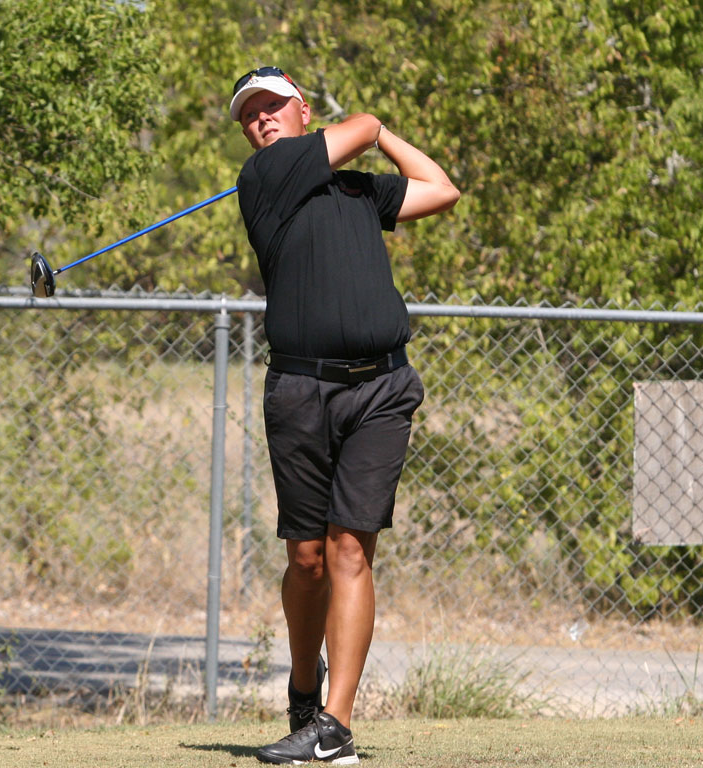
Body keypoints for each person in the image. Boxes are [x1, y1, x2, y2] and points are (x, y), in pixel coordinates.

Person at [229, 66, 460, 765]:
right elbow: (357, 127)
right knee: (307, 561)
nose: (262, 120)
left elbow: (442, 188)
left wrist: (386, 137)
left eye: (273, 107)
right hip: (302, 390)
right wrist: (373, 127)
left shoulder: (356, 190)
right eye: (250, 115)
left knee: (350, 550)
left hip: (382, 389)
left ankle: (334, 725)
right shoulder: (262, 181)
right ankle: (305, 692)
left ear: (302, 110)